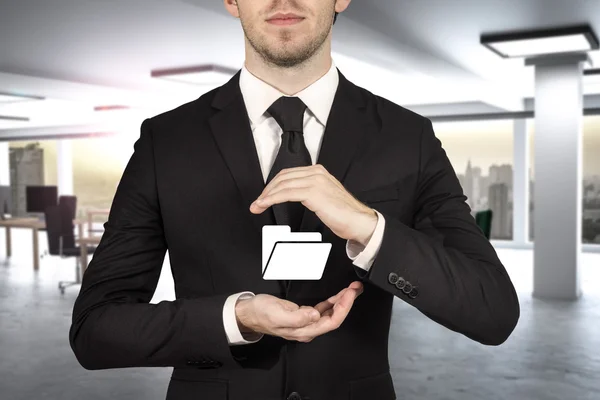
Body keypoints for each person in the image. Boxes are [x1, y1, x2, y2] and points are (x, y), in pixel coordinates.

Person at [69, 1, 520, 399]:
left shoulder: (408, 138)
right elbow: (95, 329)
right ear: (231, 0)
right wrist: (236, 317)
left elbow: (493, 311)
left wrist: (369, 228)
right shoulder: (165, 141)